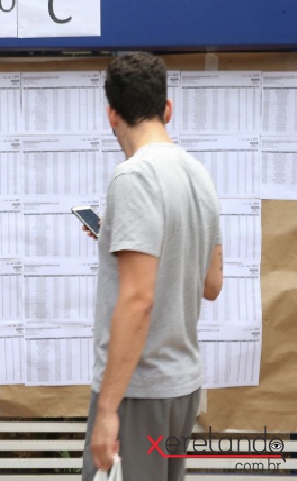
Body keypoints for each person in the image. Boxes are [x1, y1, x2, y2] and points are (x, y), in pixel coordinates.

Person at [81, 52, 223, 481]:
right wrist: (118, 238)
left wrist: (107, 410)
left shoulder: (134, 176)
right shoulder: (198, 174)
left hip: (138, 391)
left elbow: (138, 300)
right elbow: (212, 283)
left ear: (111, 114)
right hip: (182, 387)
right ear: (168, 108)